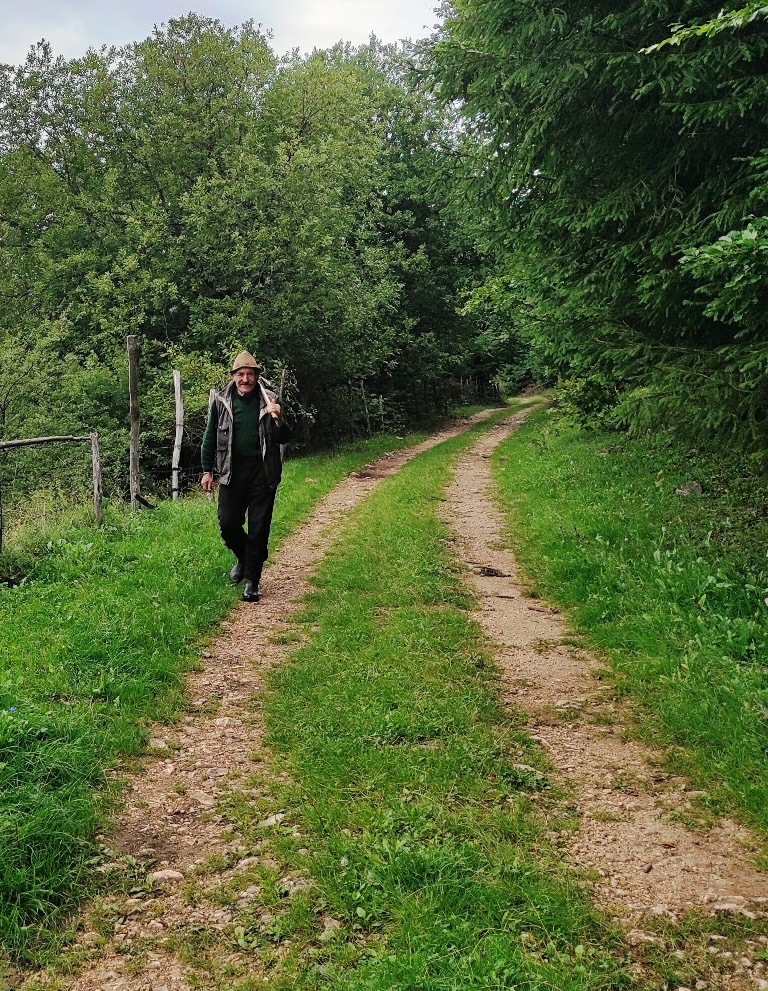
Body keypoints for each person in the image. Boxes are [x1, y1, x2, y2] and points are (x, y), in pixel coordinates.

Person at [201, 352, 291, 602]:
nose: (245, 379)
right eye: (241, 374)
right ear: (233, 376)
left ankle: (252, 582)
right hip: (231, 473)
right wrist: (207, 471)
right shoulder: (221, 401)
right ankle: (244, 558)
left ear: (256, 377)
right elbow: (210, 436)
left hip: (263, 474)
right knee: (228, 523)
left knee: (259, 528)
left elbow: (284, 437)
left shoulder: (269, 399)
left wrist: (279, 418)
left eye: (250, 374)